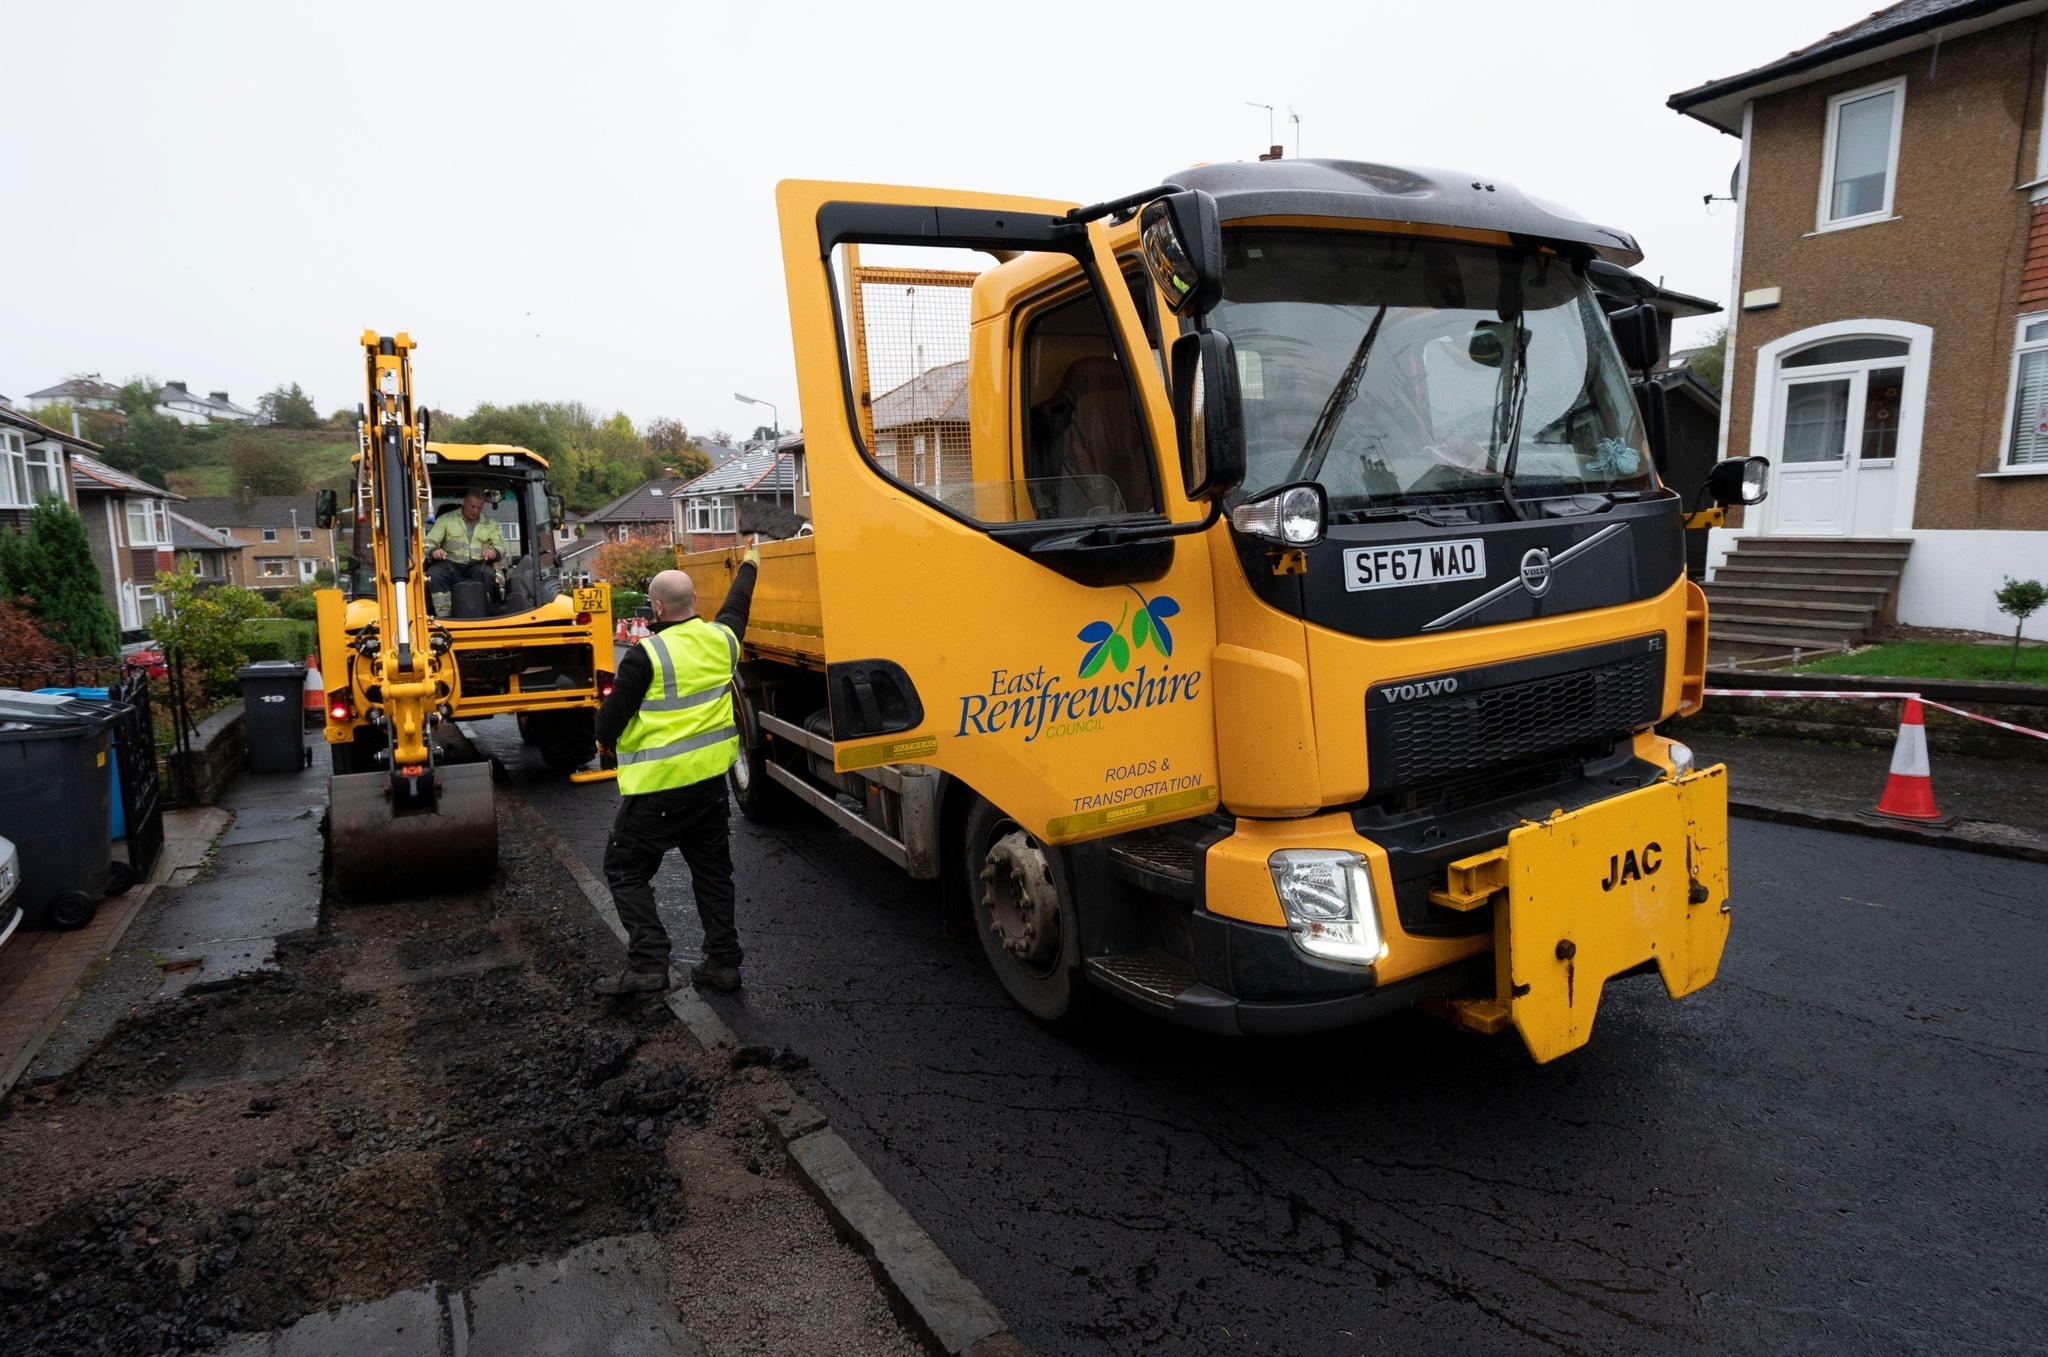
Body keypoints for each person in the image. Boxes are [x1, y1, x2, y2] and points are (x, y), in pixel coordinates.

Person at [591, 541, 760, 995]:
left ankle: (649, 964)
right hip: (709, 790)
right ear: (695, 604)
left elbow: (609, 724)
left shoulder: (645, 656)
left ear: (657, 607)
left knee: (625, 869)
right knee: (712, 874)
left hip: (657, 795)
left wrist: (605, 742)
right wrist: (750, 563)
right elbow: (738, 605)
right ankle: (723, 964)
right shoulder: (723, 641)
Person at [424, 488, 506, 614]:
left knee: (489, 575)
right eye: (472, 506)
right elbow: (428, 542)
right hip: (451, 564)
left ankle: (484, 612)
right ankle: (444, 614)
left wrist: (494, 551)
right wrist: (434, 551)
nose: (475, 511)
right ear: (464, 503)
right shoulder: (446, 519)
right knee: (434, 574)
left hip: (478, 565)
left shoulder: (490, 524)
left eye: (479, 508)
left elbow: (501, 546)